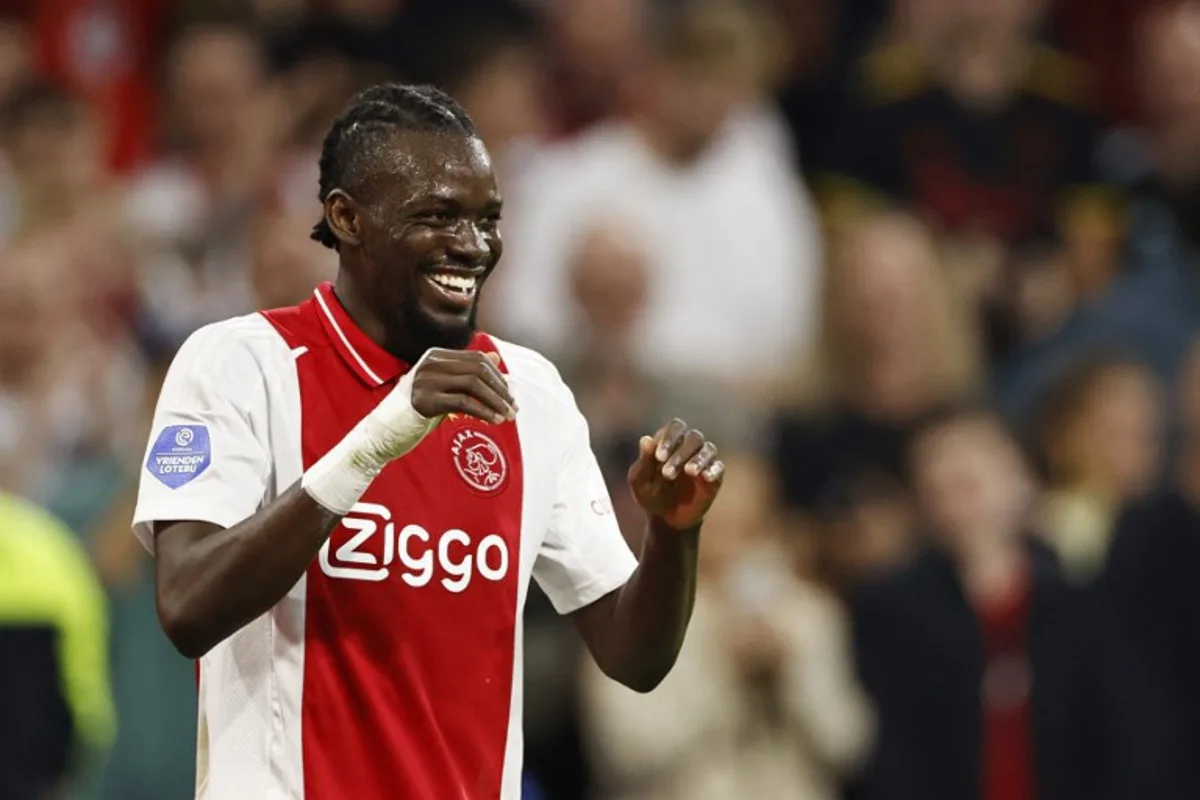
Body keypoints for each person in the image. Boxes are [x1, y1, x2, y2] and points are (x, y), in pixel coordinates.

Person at [131, 82, 725, 800]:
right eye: (438, 216)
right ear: (346, 218)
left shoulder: (529, 394)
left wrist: (672, 533)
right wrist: (378, 438)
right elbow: (188, 604)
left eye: (488, 219)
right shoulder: (237, 364)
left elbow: (635, 657)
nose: (472, 247)